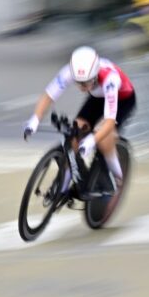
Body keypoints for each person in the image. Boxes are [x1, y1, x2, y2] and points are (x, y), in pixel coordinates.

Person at [23, 46, 136, 215]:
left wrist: (92, 140)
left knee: (103, 137)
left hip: (122, 100)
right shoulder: (71, 71)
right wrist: (35, 120)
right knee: (75, 132)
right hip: (97, 98)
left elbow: (110, 121)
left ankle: (116, 176)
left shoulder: (110, 79)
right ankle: (66, 182)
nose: (81, 86)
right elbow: (48, 96)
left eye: (85, 82)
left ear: (95, 73)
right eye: (78, 82)